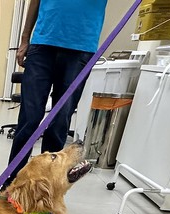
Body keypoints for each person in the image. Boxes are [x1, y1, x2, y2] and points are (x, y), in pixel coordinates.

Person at [7, 0, 108, 183]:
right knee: (29, 119)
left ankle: (46, 187)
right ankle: (13, 183)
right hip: (43, 43)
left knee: (59, 122)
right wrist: (24, 39)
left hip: (80, 47)